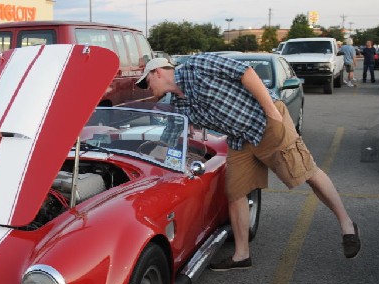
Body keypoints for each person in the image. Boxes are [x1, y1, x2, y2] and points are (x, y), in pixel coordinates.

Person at [136, 56, 361, 270]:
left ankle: (347, 225)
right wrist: (140, 154)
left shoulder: (197, 65)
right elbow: (171, 137)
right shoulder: (179, 104)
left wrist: (272, 111)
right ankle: (242, 255)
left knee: (306, 171)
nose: (148, 89)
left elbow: (245, 72)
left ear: (157, 72)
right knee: (235, 192)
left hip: (265, 121)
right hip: (239, 139)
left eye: (146, 83)